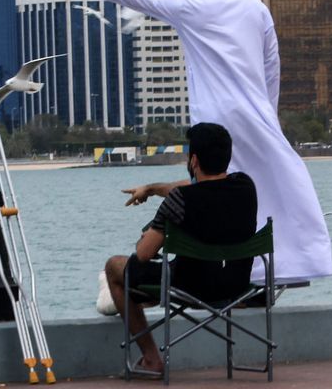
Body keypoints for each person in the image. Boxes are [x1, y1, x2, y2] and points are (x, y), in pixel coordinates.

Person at [50, 0, 331, 283]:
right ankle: (284, 265)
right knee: (261, 186)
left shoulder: (189, 4)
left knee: (210, 190)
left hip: (215, 117)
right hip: (255, 113)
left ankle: (214, 270)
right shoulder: (255, 6)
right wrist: (268, 115)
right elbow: (272, 65)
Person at [104, 123, 259, 375]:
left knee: (115, 268)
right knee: (161, 273)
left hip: (190, 286)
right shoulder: (246, 187)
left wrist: (148, 236)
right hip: (236, 285)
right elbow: (196, 186)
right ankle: (147, 299)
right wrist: (152, 189)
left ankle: (152, 358)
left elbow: (143, 255)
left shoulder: (178, 201)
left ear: (194, 160)